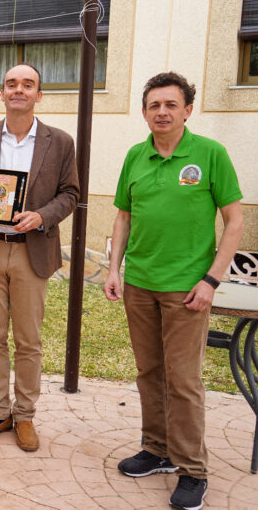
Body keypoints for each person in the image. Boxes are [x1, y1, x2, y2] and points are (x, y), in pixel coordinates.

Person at [103, 72, 243, 510]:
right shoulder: (135, 156)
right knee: (149, 372)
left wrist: (211, 280)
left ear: (187, 109)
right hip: (140, 285)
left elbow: (234, 222)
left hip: (187, 289)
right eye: (153, 106)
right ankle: (158, 449)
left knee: (183, 380)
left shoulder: (209, 154)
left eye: (170, 104)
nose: (161, 112)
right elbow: (124, 217)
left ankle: (193, 470)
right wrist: (114, 268)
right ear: (145, 113)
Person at [0, 63, 78, 452]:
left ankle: (24, 415)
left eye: (28, 84)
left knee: (28, 340)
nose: (19, 90)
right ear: (3, 92)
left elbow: (71, 194)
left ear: (39, 94)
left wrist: (42, 216)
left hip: (33, 252)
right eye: (11, 84)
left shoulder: (59, 142)